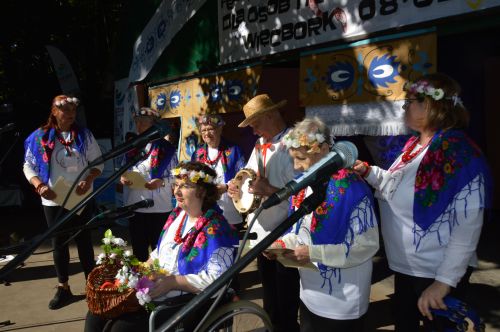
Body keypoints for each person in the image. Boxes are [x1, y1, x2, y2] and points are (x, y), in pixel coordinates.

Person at [353, 73, 492, 331]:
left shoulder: (459, 154)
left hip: (435, 272)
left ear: (431, 106)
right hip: (408, 267)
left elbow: (467, 225)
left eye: (410, 101)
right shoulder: (414, 146)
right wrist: (368, 172)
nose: (405, 107)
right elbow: (395, 185)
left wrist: (444, 282)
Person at [85, 161, 239, 332]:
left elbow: (217, 280)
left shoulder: (217, 228)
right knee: (96, 314)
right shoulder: (178, 215)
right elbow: (160, 252)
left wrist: (174, 282)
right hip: (155, 290)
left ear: (202, 191)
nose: (177, 191)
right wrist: (140, 270)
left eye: (185, 186)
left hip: (184, 303)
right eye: (176, 185)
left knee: (120, 329)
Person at [268, 117, 379, 332]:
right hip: (309, 294)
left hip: (343, 301)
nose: (296, 166)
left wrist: (313, 253)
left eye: (301, 158)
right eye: (293, 159)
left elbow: (367, 246)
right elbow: (300, 233)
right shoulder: (303, 186)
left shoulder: (352, 187)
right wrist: (281, 244)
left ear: (324, 150)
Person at [227, 93, 300, 332]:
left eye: (256, 124)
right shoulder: (260, 146)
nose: (254, 131)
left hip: (287, 230)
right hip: (262, 232)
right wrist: (237, 188)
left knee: (286, 296)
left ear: (270, 116)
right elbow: (247, 176)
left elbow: (306, 190)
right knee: (270, 295)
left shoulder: (296, 142)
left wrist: (268, 189)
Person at [23, 94, 103, 309]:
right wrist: (39, 185)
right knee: (59, 244)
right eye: (65, 110)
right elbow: (27, 166)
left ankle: (91, 286)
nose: (70, 114)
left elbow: (98, 163)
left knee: (85, 241)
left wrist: (88, 179)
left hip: (80, 198)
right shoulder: (40, 137)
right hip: (53, 199)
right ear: (54, 112)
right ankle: (63, 288)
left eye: (73, 111)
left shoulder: (84, 135)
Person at [119, 107, 178, 262]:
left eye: (144, 122)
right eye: (137, 122)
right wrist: (123, 178)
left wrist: (162, 182)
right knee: (139, 252)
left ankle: (159, 284)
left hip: (159, 208)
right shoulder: (132, 146)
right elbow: (122, 170)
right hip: (135, 207)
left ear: (154, 124)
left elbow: (176, 177)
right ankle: (141, 284)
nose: (139, 126)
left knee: (160, 251)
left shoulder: (167, 149)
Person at [192, 113, 246, 225]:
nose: (206, 133)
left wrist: (226, 187)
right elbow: (193, 179)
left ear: (220, 129)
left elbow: (243, 175)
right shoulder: (197, 154)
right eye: (203, 130)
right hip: (205, 212)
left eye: (210, 129)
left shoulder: (234, 150)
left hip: (230, 211)